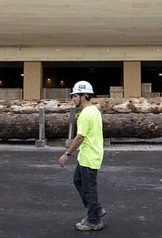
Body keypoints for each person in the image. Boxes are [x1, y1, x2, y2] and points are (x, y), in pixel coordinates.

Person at [58, 81, 106, 231]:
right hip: (89, 154)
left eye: (75, 96)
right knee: (78, 180)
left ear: (83, 96)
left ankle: (94, 220)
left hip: (89, 156)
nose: (73, 99)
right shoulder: (95, 110)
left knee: (89, 187)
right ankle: (95, 208)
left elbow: (80, 137)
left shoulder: (85, 114)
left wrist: (67, 154)